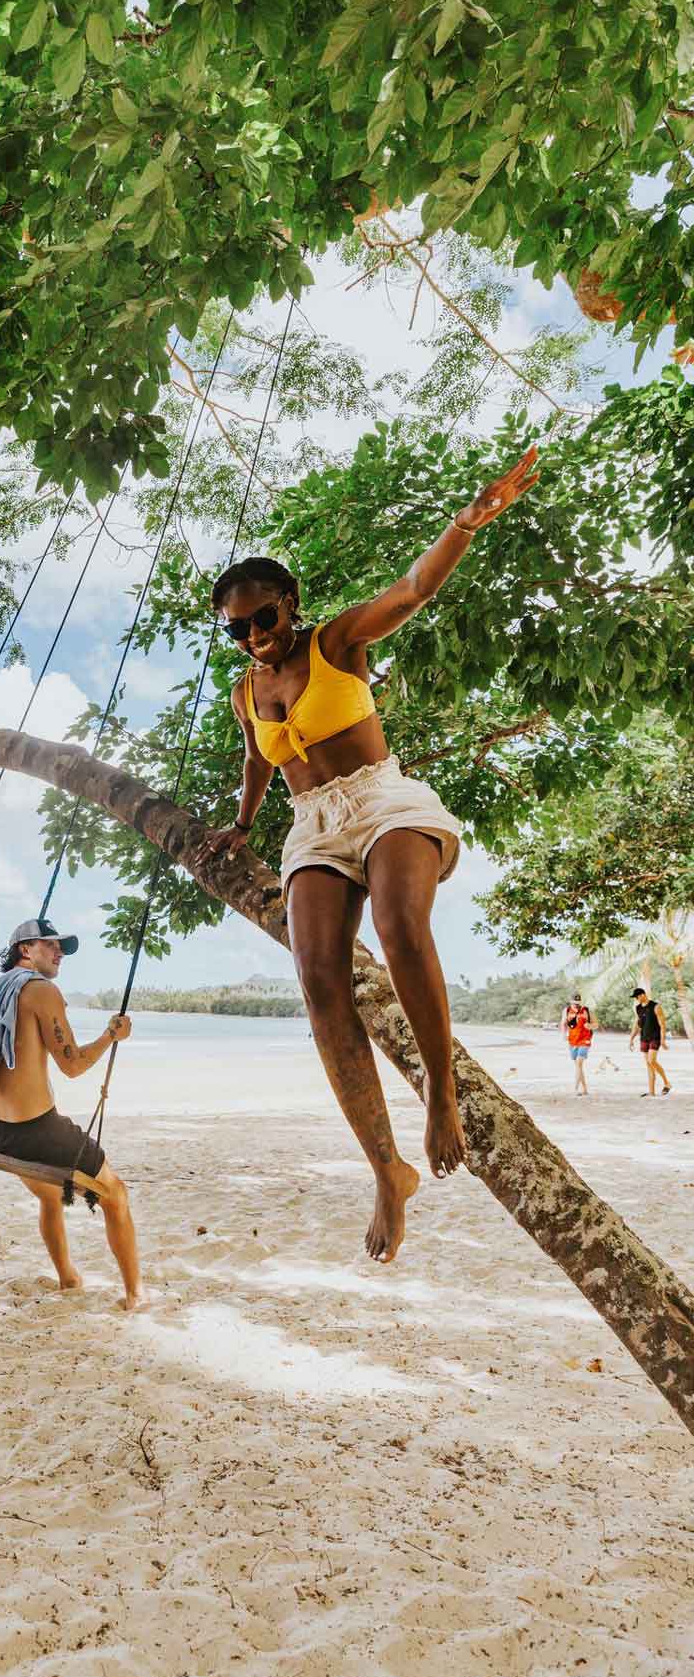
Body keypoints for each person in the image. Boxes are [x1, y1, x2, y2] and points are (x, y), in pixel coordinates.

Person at [195, 447, 540, 1263]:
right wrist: (242, 825)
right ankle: (387, 1169)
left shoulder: (337, 641)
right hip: (311, 824)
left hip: (382, 802)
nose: (253, 637)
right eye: (237, 628)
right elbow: (257, 758)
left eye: (264, 619)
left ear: (292, 604)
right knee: (318, 980)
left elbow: (414, 590)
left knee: (398, 927)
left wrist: (468, 520)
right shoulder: (247, 691)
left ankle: (442, 1097)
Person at [0, 917, 146, 1311]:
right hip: (38, 1134)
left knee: (49, 1197)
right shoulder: (42, 991)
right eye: (50, 945)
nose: (59, 953)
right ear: (25, 950)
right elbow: (73, 1066)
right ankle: (135, 1296)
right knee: (117, 1196)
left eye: (61, 947)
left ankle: (68, 1278)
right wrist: (112, 1035)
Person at [630, 987, 672, 1096]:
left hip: (655, 1037)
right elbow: (638, 1025)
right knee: (648, 1064)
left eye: (637, 997)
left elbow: (662, 1025)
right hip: (644, 1038)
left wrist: (662, 1040)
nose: (637, 999)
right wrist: (631, 1038)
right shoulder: (638, 1008)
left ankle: (667, 1083)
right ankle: (652, 1092)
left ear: (643, 995)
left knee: (652, 1061)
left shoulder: (656, 1006)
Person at [560, 994, 594, 1096]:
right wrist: (563, 1034)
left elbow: (596, 1024)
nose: (576, 1005)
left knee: (579, 1063)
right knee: (579, 1066)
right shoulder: (566, 1011)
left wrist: (590, 1025)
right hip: (572, 1041)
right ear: (571, 1002)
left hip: (585, 1040)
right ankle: (585, 1089)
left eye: (578, 1003)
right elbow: (563, 1023)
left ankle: (575, 1088)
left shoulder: (586, 1011)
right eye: (575, 1003)